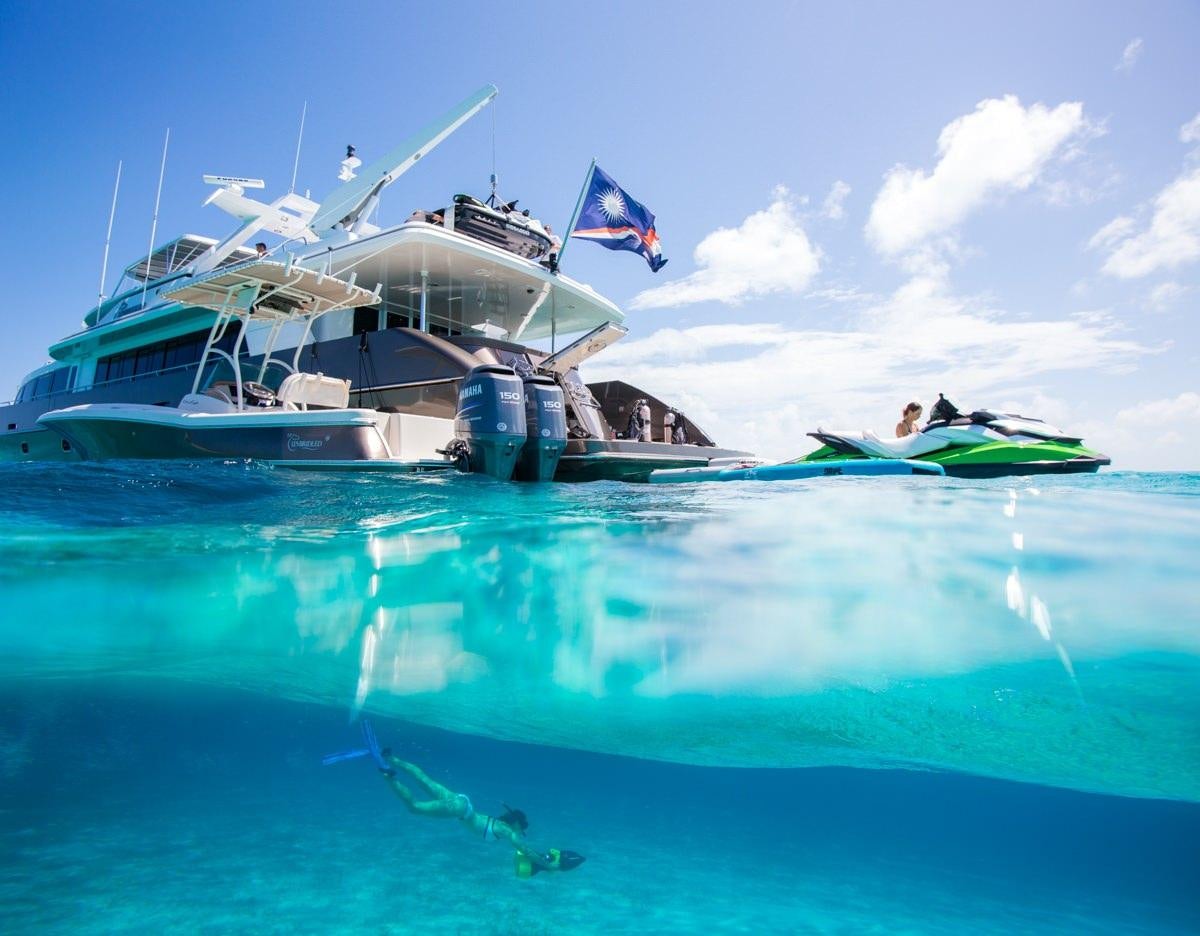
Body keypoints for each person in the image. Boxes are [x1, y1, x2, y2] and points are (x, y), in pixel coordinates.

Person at [330, 721, 586, 879]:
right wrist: (548, 865)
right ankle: (388, 774)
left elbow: (524, 848)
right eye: (523, 827)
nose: (523, 831)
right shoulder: (508, 831)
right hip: (459, 810)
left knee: (425, 780)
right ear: (518, 823)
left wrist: (542, 859)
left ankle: (393, 758)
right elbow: (524, 849)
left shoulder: (501, 824)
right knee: (414, 808)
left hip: (463, 801)